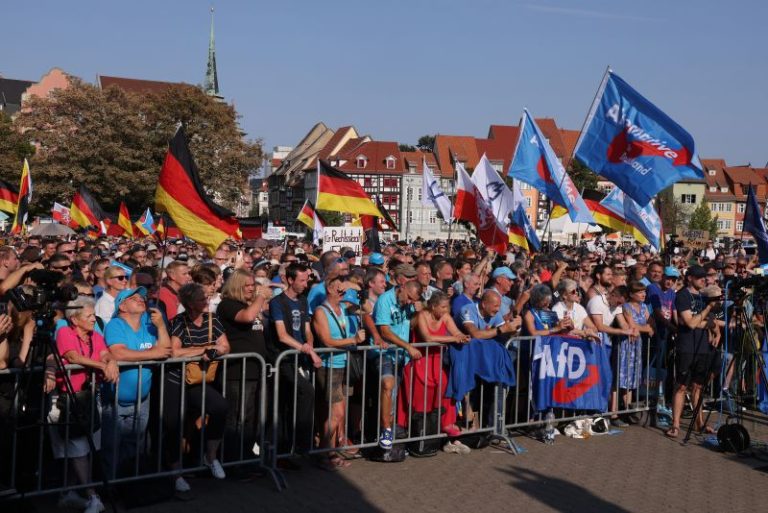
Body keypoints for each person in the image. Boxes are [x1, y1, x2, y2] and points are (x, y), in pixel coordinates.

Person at [48, 297, 118, 513]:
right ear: (75, 319)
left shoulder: (94, 335)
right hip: (66, 399)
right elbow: (72, 355)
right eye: (88, 316)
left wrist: (112, 362)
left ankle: (69, 493)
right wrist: (101, 365)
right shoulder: (64, 333)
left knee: (81, 449)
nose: (93, 319)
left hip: (88, 398)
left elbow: (105, 352)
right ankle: (92, 495)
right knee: (77, 449)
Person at [165, 283, 230, 490]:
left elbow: (225, 346)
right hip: (176, 380)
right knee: (174, 423)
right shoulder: (178, 322)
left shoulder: (213, 319)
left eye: (206, 298)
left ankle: (210, 457)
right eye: (202, 299)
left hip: (199, 380)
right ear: (190, 304)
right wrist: (204, 348)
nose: (207, 301)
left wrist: (214, 351)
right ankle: (176, 474)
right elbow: (174, 352)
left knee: (220, 407)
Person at [102, 287, 172, 478]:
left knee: (136, 445)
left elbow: (165, 350)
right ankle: (111, 486)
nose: (141, 299)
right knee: (112, 447)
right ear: (122, 306)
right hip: (114, 399)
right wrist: (153, 354)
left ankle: (130, 484)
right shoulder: (115, 325)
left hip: (142, 399)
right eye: (134, 298)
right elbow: (118, 352)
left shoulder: (149, 323)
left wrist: (161, 327)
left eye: (142, 297)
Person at [312, 276, 366, 470]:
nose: (343, 295)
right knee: (335, 413)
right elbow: (326, 341)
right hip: (330, 366)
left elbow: (364, 308)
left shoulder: (342, 309)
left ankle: (330, 452)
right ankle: (324, 452)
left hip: (343, 364)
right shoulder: (321, 311)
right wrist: (353, 340)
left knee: (337, 415)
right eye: (340, 291)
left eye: (344, 292)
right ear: (330, 289)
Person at [216, 269, 271, 459]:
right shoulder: (228, 305)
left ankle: (246, 455)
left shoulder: (249, 304)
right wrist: (261, 297)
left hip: (256, 368)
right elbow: (247, 317)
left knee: (252, 418)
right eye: (246, 285)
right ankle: (232, 459)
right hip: (238, 370)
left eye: (253, 285)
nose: (251, 289)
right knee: (237, 417)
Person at [405, 292, 469, 449]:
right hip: (421, 360)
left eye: (448, 307)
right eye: (443, 307)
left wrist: (462, 336)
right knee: (421, 392)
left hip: (437, 360)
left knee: (445, 385)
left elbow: (456, 332)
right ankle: (419, 430)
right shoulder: (422, 315)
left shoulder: (446, 317)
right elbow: (427, 338)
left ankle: (447, 425)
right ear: (433, 306)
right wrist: (454, 339)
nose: (446, 310)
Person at [268, 262, 319, 456]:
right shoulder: (277, 303)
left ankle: (293, 446)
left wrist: (310, 344)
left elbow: (307, 329)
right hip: (283, 359)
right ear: (290, 280)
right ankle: (297, 443)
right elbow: (282, 335)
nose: (306, 284)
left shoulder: (304, 300)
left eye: (307, 280)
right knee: (305, 392)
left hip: (301, 357)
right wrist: (307, 350)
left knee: (294, 401)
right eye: (302, 280)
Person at [667, 265, 720, 438]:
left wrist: (710, 324)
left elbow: (710, 322)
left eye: (704, 277)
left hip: (703, 347)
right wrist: (706, 312)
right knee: (681, 386)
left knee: (698, 387)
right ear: (690, 278)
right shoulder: (682, 295)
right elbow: (689, 323)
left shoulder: (704, 295)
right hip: (687, 346)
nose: (703, 280)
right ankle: (675, 425)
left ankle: (700, 424)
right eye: (699, 278)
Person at [372, 279, 423, 449]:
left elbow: (412, 325)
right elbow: (384, 331)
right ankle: (386, 430)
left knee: (392, 396)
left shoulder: (409, 304)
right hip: (384, 352)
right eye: (408, 297)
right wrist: (408, 346)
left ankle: (388, 435)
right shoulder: (385, 300)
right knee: (388, 384)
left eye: (413, 300)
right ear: (402, 288)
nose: (409, 302)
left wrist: (418, 312)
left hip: (400, 356)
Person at [618, 281, 655, 420]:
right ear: (632, 294)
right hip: (627, 345)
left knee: (634, 376)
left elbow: (652, 324)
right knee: (625, 375)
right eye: (640, 292)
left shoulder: (644, 306)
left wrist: (646, 328)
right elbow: (633, 326)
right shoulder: (626, 306)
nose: (643, 294)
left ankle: (629, 407)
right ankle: (624, 407)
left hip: (638, 344)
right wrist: (645, 328)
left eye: (644, 292)